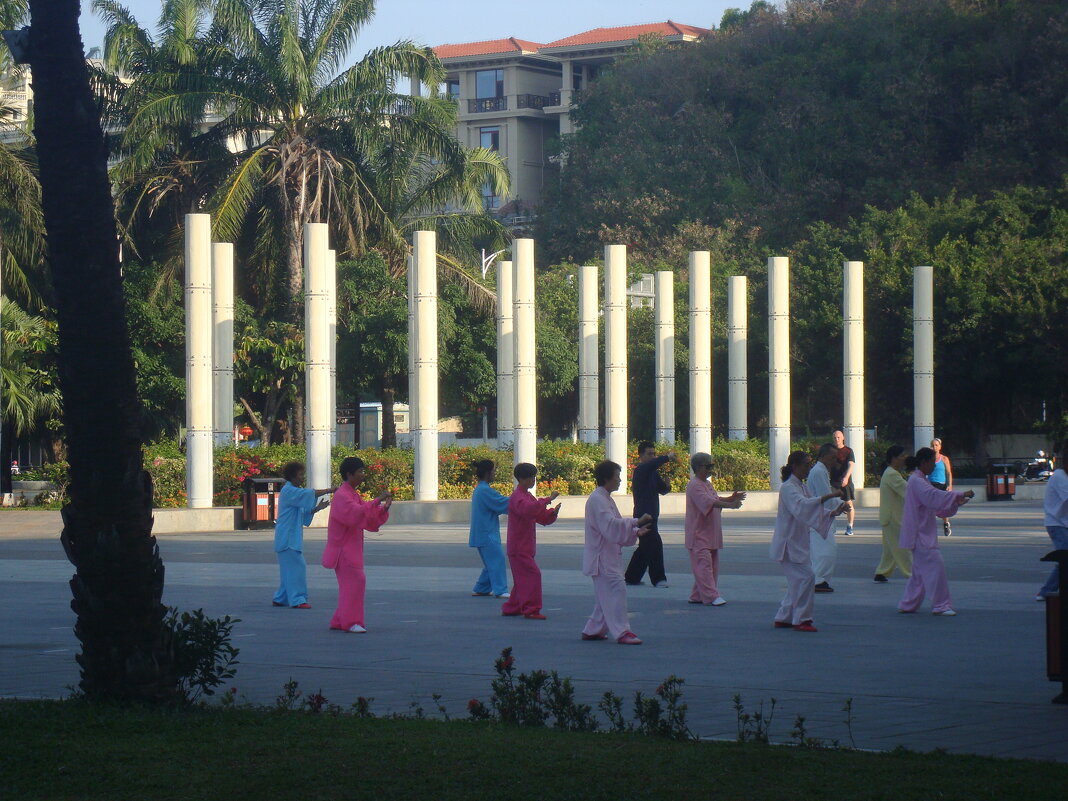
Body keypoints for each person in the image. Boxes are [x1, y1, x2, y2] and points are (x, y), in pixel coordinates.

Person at [769, 451, 850, 632]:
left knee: (797, 581)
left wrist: (832, 512)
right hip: (788, 544)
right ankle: (802, 619)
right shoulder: (789, 487)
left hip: (797, 542)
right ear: (795, 466)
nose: (808, 468)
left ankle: (784, 616)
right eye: (806, 464)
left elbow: (811, 509)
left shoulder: (801, 487)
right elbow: (802, 506)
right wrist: (830, 496)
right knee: (807, 577)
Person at [581, 460, 652, 644]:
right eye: (617, 476)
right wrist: (636, 522)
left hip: (608, 555)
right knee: (616, 591)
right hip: (601, 557)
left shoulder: (605, 498)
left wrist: (636, 531)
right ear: (607, 478)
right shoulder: (597, 499)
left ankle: (593, 629)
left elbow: (614, 525)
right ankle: (622, 632)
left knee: (606, 595)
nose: (620, 480)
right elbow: (610, 526)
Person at [898, 447, 973, 616]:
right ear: (924, 462)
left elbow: (933, 502)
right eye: (932, 462)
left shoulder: (919, 479)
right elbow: (933, 497)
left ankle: (908, 603)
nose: (934, 465)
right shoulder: (917, 481)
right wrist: (958, 495)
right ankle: (941, 605)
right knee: (935, 568)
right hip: (921, 534)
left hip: (921, 532)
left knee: (919, 573)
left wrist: (956, 501)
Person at [321, 456, 392, 633]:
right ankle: (351, 621)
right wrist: (377, 501)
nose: (363, 475)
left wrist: (383, 509)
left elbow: (365, 516)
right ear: (349, 474)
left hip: (350, 548)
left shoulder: (350, 493)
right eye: (360, 471)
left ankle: (339, 619)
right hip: (343, 550)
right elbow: (355, 514)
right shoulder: (342, 495)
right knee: (356, 582)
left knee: (351, 584)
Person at [501, 463, 560, 620]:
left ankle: (512, 607)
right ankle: (531, 609)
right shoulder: (518, 497)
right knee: (532, 575)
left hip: (523, 546)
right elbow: (529, 510)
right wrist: (548, 499)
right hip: (519, 547)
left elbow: (539, 516)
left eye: (534, 477)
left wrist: (552, 514)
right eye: (531, 477)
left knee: (522, 578)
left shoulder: (526, 497)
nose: (533, 480)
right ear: (521, 479)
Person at [685, 452, 745, 606]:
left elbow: (714, 499)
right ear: (698, 468)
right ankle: (712, 596)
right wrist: (730, 505)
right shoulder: (694, 485)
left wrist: (730, 498)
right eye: (708, 466)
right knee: (704, 565)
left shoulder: (706, 483)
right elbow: (707, 501)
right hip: (698, 534)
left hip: (710, 533)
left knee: (711, 565)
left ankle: (697, 595)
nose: (711, 469)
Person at [272, 461, 332, 609]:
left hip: (287, 538)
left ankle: (281, 597)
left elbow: (303, 513)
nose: (302, 478)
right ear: (292, 476)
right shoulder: (289, 491)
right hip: (288, 539)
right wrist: (329, 490)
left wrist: (317, 508)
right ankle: (298, 599)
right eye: (300, 475)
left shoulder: (291, 492)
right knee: (297, 567)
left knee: (289, 569)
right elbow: (309, 493)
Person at [624, 442, 676, 588]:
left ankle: (631, 577)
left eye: (654, 454)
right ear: (640, 456)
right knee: (655, 544)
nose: (653, 457)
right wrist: (667, 457)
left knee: (646, 547)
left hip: (653, 515)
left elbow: (663, 490)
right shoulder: (641, 469)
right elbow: (652, 465)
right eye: (649, 454)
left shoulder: (652, 472)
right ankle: (659, 579)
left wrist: (668, 485)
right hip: (643, 515)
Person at [468, 460, 510, 599]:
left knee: (490, 562)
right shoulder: (485, 490)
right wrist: (522, 500)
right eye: (493, 471)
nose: (494, 473)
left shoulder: (480, 489)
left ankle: (482, 587)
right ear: (488, 473)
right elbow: (503, 503)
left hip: (482, 533)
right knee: (496, 560)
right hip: (487, 534)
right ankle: (500, 589)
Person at [874, 445, 912, 582]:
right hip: (893, 517)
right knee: (902, 547)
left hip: (890, 516)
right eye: (902, 456)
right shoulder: (892, 474)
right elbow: (909, 492)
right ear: (894, 458)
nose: (904, 459)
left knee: (890, 548)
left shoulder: (891, 472)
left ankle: (882, 572)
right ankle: (911, 573)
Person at [1036, 445, 1068, 601]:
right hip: (1057, 524)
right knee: (1065, 558)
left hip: (1063, 523)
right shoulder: (1060, 476)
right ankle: (1046, 591)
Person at [808, 443, 840, 593]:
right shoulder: (819, 471)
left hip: (821, 517)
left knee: (823, 550)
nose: (834, 461)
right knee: (825, 551)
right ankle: (818, 580)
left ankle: (819, 579)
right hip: (820, 518)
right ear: (823, 456)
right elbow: (825, 496)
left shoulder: (821, 471)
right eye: (832, 457)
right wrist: (839, 505)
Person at [832, 428, 857, 535]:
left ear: (843, 438)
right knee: (831, 504)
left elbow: (851, 464)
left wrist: (846, 477)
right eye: (835, 437)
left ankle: (850, 526)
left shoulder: (848, 451)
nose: (837, 439)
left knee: (848, 503)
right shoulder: (830, 450)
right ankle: (831, 527)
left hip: (845, 481)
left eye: (838, 437)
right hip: (832, 482)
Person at [929, 437, 954, 536]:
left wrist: (949, 485)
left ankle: (946, 524)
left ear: (940, 447)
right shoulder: (928, 459)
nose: (934, 447)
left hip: (942, 485)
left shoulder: (944, 459)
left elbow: (949, 473)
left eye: (936, 445)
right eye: (933, 445)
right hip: (931, 485)